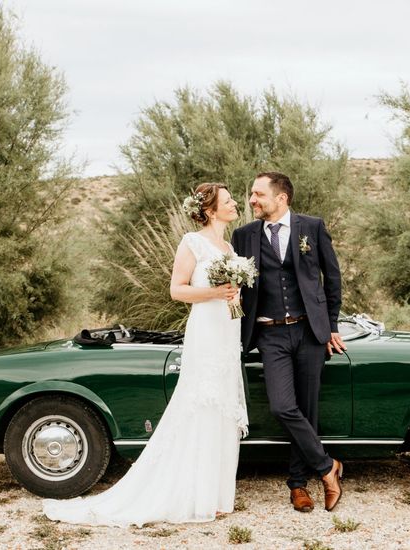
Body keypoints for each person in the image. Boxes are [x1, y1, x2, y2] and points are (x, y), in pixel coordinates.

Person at [43, 183, 248, 526]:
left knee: (224, 404)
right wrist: (215, 291)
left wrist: (234, 297)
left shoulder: (228, 246)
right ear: (210, 210)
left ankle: (216, 495)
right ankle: (193, 495)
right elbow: (176, 290)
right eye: (227, 201)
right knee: (202, 401)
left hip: (228, 329)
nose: (234, 204)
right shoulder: (192, 242)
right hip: (206, 330)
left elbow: (230, 292)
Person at [230, 171, 346, 513]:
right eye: (251, 194)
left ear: (281, 198)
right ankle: (328, 467)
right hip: (269, 334)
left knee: (307, 410)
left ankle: (298, 485)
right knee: (283, 406)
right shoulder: (244, 236)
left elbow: (332, 278)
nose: (252, 200)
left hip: (310, 332)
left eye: (258, 194)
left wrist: (332, 325)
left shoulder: (312, 227)